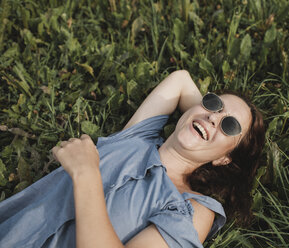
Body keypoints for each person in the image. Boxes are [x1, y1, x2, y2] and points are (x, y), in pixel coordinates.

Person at [0, 70, 265, 247]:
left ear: (225, 160)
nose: (214, 116)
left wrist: (87, 175)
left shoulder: (194, 210)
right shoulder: (137, 137)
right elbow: (180, 80)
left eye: (230, 125)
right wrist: (207, 124)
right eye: (213, 103)